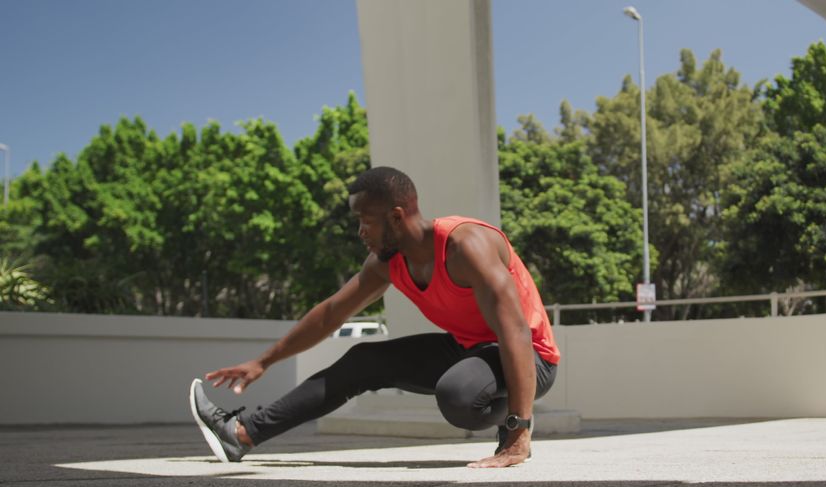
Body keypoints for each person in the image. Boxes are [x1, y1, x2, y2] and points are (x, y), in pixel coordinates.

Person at [189, 166, 559, 469]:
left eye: (365, 221)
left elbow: (515, 332)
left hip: (531, 357)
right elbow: (331, 313)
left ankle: (509, 424)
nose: (360, 232)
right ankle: (240, 434)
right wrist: (263, 361)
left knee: (458, 394)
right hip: (470, 347)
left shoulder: (467, 246)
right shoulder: (388, 263)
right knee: (364, 361)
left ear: (396, 217)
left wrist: (518, 431)